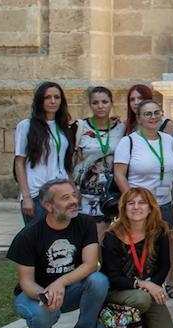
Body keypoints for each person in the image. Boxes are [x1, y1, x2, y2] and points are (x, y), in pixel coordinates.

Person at [7, 179, 108, 328]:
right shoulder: (29, 235)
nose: (74, 201)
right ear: (48, 205)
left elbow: (91, 264)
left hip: (72, 289)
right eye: (65, 198)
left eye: (74, 195)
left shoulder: (86, 223)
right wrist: (46, 296)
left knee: (99, 281)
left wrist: (60, 283)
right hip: (36, 294)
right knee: (45, 314)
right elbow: (26, 281)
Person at [113, 100, 173, 282]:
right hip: (140, 206)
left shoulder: (168, 140)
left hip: (164, 203)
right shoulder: (129, 142)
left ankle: (167, 283)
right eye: (148, 114)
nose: (153, 117)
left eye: (156, 113)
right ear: (139, 118)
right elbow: (119, 174)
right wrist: (132, 200)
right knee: (141, 245)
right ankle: (139, 282)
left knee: (164, 245)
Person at [100, 188, 173, 328]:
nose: (136, 207)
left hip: (147, 288)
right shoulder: (112, 236)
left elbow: (164, 266)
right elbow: (112, 277)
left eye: (142, 203)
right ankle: (109, 319)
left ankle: (137, 321)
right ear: (124, 208)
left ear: (150, 208)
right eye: (131, 203)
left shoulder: (160, 231)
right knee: (141, 299)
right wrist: (144, 285)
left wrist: (152, 285)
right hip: (118, 290)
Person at [15, 81, 75, 226]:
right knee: (37, 240)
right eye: (47, 97)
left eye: (57, 97)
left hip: (61, 192)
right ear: (40, 100)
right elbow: (19, 161)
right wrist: (26, 196)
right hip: (37, 193)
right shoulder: (26, 126)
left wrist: (73, 190)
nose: (52, 101)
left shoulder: (64, 127)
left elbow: (66, 161)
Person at [73, 86, 126, 232]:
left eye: (104, 102)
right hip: (82, 194)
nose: (100, 106)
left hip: (109, 195)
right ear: (90, 105)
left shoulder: (121, 128)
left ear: (111, 103)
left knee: (101, 240)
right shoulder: (80, 127)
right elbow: (71, 160)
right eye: (95, 103)